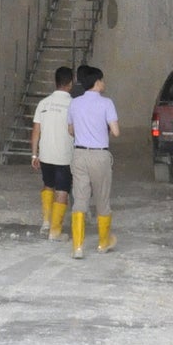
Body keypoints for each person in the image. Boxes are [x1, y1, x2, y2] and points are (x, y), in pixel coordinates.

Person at [66, 64, 119, 257]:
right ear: (96, 83)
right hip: (100, 155)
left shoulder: (75, 103)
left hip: (79, 155)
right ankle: (103, 243)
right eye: (102, 80)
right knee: (102, 199)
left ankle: (78, 247)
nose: (104, 83)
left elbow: (70, 130)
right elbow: (115, 131)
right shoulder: (107, 103)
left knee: (80, 199)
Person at [31, 66, 75, 239]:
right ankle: (55, 231)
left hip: (45, 155)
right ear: (71, 83)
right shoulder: (73, 105)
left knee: (48, 185)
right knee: (62, 191)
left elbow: (35, 131)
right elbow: (75, 130)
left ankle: (46, 223)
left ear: (55, 82)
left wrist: (35, 154)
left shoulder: (43, 103)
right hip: (64, 156)